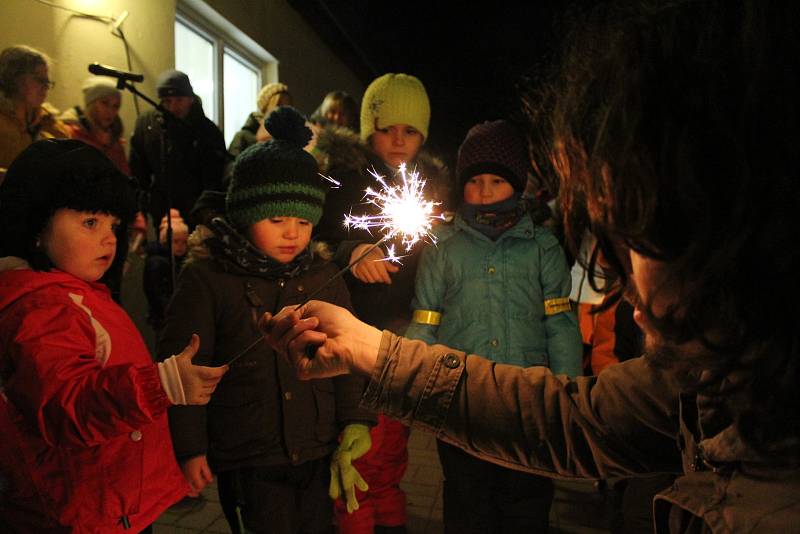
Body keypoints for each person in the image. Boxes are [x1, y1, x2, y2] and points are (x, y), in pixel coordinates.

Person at [260, 1, 800, 532]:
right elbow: (570, 419)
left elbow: (562, 374)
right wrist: (376, 351)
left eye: (641, 230)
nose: (625, 285)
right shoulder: (701, 387)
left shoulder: (766, 481)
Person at [157, 106, 375, 534]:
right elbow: (183, 368)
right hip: (248, 453)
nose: (292, 233)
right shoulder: (208, 278)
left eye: (303, 221)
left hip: (316, 446)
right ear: (244, 213)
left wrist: (356, 420)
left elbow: (348, 358)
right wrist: (190, 448)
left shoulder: (323, 276)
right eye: (276, 220)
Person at [0, 139, 227, 532]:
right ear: (36, 224)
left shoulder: (74, 295)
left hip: (114, 503)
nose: (109, 238)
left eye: (114, 225)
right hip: (87, 513)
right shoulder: (42, 310)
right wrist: (162, 384)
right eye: (90, 222)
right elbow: (68, 405)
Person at [405, 119, 582, 533]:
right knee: (467, 505)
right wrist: (412, 386)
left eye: (497, 181)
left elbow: (560, 322)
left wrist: (568, 390)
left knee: (526, 506)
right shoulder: (442, 246)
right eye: (476, 180)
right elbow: (425, 318)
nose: (484, 191)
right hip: (460, 404)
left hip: (528, 405)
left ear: (516, 185)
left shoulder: (542, 247)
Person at [312, 73, 449, 534]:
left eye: (410, 131)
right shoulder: (342, 180)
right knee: (358, 452)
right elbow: (316, 239)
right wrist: (351, 252)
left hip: (407, 338)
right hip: (355, 337)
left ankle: (391, 523)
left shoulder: (431, 188)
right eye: (388, 127)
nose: (398, 139)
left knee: (393, 453)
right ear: (369, 125)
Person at [129, 69, 227, 229]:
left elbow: (214, 178)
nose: (173, 107)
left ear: (190, 99)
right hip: (162, 211)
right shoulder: (147, 125)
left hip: (200, 213)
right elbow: (138, 172)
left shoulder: (208, 131)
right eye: (167, 101)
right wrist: (139, 209)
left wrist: (207, 211)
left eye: (179, 100)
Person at [0, 44, 69, 182]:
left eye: (48, 81)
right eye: (39, 80)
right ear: (14, 78)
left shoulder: (51, 124)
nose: (46, 87)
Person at [60, 76, 130, 175]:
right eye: (105, 103)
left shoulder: (115, 139)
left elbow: (125, 176)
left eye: (116, 106)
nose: (111, 111)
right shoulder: (70, 135)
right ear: (91, 103)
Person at [228, 82, 291, 159]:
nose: (284, 110)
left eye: (288, 106)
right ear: (267, 106)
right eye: (279, 104)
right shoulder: (242, 137)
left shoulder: (290, 137)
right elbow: (231, 167)